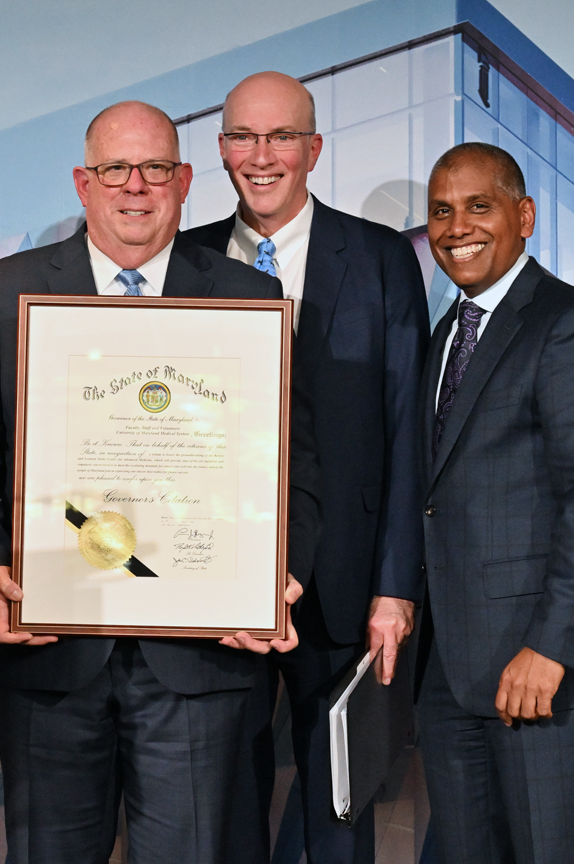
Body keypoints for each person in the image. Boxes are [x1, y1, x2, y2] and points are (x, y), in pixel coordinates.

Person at [0, 100, 317, 864]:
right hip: (54, 654)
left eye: (156, 168)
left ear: (184, 180)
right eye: (115, 169)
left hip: (202, 661)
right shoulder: (7, 290)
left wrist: (278, 575)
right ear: (84, 182)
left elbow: (295, 466)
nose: (136, 186)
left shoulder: (249, 297)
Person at [185, 71, 429, 863]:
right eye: (244, 137)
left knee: (338, 816)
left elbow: (407, 430)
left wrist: (396, 587)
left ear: (314, 149)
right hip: (210, 582)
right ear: (221, 149)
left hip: (344, 587)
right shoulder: (183, 259)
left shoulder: (382, 258)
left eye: (281, 137)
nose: (262, 156)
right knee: (221, 810)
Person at [416, 142, 574, 863]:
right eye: (441, 211)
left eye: (478, 206)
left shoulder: (570, 325)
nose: (457, 227)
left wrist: (551, 647)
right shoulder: (445, 334)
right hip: (452, 674)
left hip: (545, 676)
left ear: (524, 216)